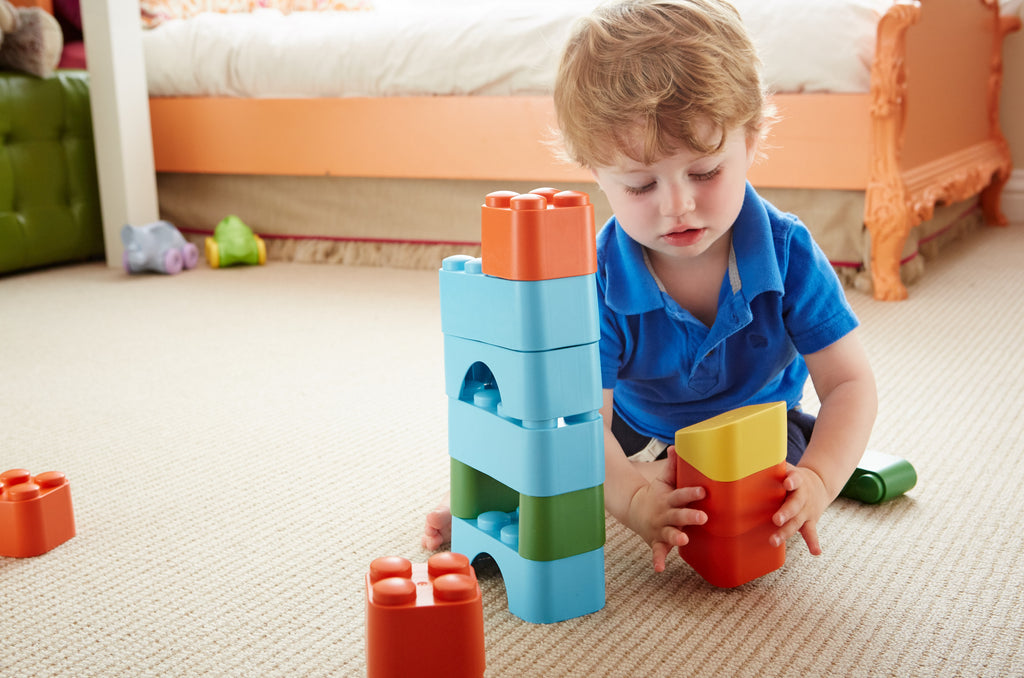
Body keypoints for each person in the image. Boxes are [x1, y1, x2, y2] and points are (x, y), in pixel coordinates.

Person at [424, 0, 877, 573]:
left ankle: (648, 477)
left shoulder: (787, 254)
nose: (678, 205)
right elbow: (585, 421)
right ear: (596, 173)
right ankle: (502, 492)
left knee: (755, 500)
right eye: (640, 186)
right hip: (630, 427)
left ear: (752, 140)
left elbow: (850, 384)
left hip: (755, 431)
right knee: (553, 434)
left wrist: (819, 477)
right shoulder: (597, 277)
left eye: (706, 172)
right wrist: (636, 499)